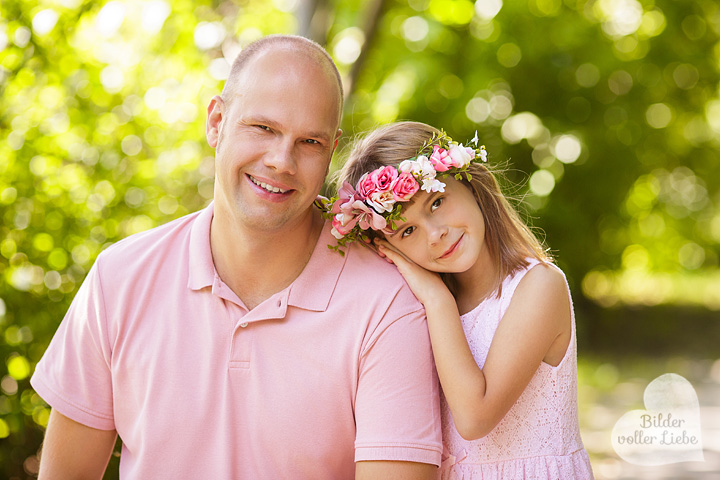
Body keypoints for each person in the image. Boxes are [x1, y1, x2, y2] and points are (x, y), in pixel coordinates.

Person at [30, 36, 442, 479]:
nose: (281, 160)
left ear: (332, 151)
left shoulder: (387, 304)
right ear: (216, 121)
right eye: (263, 128)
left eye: (309, 142)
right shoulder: (119, 278)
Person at [326, 121, 595, 478]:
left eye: (436, 202)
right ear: (389, 249)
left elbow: (474, 416)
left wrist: (438, 300)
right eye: (408, 231)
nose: (435, 234)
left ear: (470, 182)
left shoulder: (538, 287)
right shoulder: (408, 309)